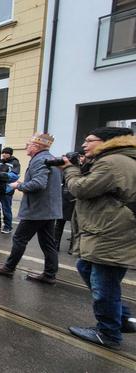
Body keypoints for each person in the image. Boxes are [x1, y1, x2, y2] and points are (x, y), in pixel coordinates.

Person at [62, 127, 136, 350]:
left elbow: (81, 189)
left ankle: (108, 333)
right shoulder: (120, 159)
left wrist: (70, 169)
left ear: (107, 142)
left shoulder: (112, 161)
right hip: (112, 228)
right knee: (87, 268)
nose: (84, 145)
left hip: (110, 231)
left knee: (103, 283)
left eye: (89, 140)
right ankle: (122, 318)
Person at [0, 133, 62, 284]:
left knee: (20, 238)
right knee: (48, 242)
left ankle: (9, 268)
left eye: (28, 144)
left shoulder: (40, 159)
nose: (26, 146)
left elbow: (39, 184)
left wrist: (18, 185)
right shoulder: (50, 158)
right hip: (48, 209)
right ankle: (49, 274)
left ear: (36, 147)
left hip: (37, 209)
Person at [0, 147, 21, 234]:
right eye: (3, 153)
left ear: (10, 154)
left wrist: (1, 175)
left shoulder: (15, 162)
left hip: (6, 190)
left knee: (6, 209)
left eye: (6, 153)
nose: (4, 154)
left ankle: (8, 226)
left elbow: (15, 176)